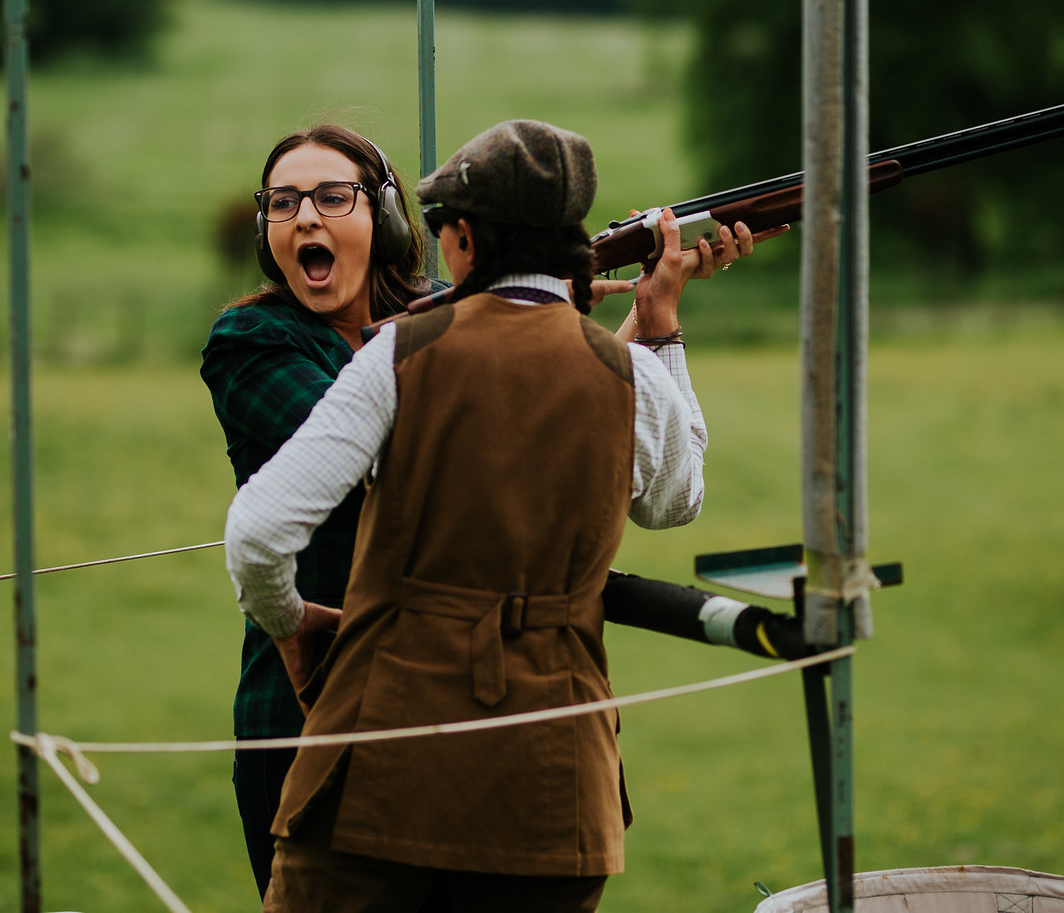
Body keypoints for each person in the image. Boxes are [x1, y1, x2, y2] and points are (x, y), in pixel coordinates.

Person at [203, 120, 756, 898]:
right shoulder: (625, 371)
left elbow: (264, 528)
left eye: (332, 197)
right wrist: (651, 330)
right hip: (555, 778)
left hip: (376, 748)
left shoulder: (396, 352)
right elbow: (670, 498)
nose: (306, 219)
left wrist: (294, 630)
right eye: (285, 202)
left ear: (456, 239)